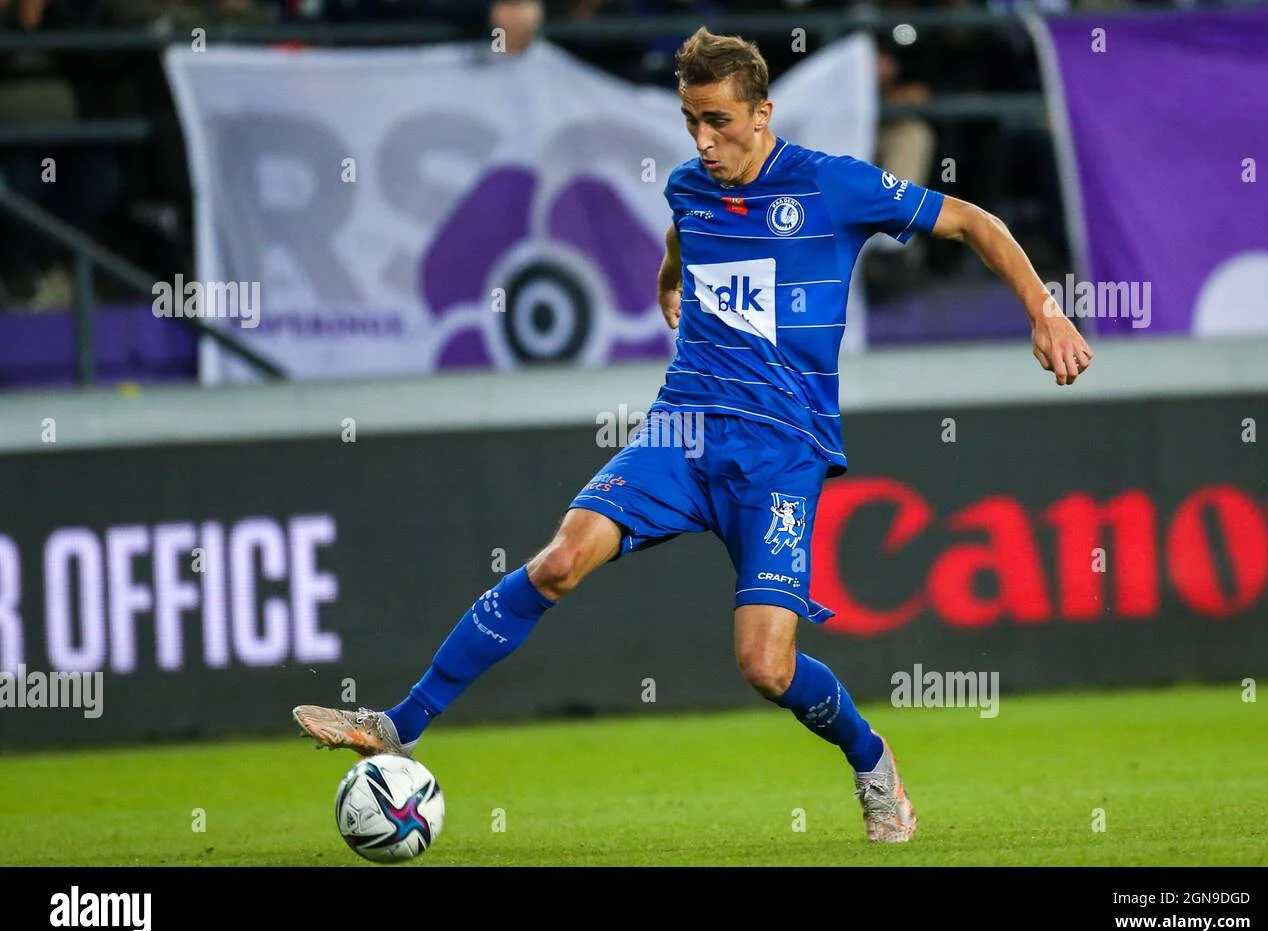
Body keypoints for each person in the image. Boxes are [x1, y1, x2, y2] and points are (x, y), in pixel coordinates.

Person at [293, 26, 1093, 843]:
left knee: (766, 667)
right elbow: (684, 235)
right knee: (560, 560)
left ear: (761, 113)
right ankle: (400, 724)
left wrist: (1045, 310)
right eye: (690, 121)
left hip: (781, 454)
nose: (703, 141)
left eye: (718, 121)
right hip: (681, 430)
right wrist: (669, 282)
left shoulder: (832, 185)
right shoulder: (689, 186)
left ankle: (871, 759)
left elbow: (973, 222)